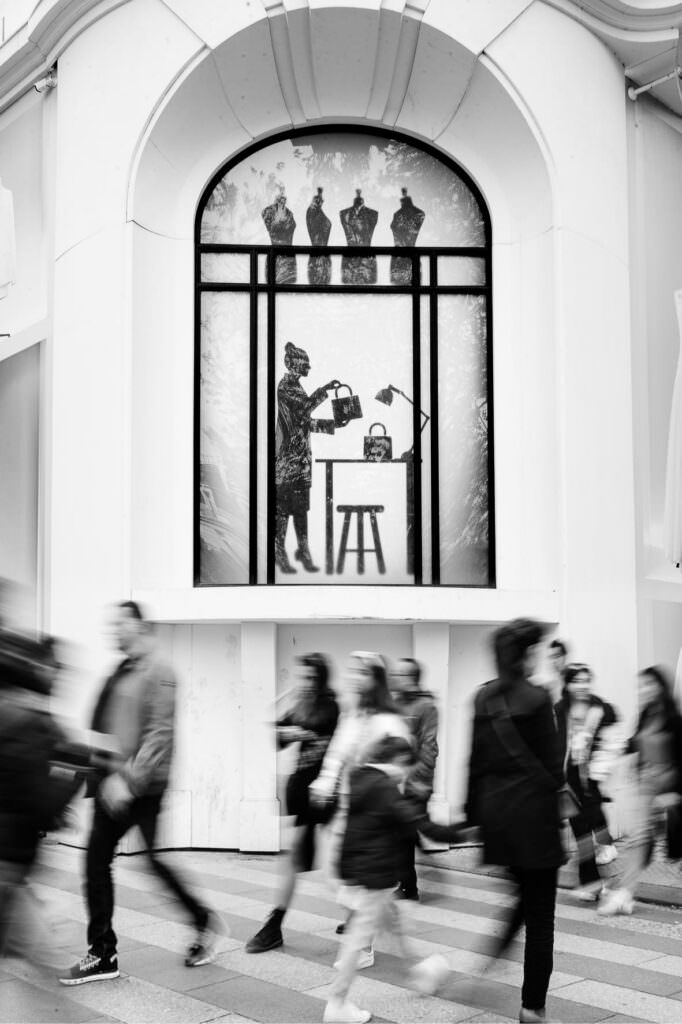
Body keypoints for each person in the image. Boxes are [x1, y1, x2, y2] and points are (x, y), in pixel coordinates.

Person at [59, 601, 223, 986]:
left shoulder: (159, 671)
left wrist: (129, 780)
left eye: (119, 623)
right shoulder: (122, 670)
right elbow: (107, 727)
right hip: (111, 780)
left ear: (138, 625)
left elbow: (159, 733)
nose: (113, 630)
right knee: (97, 861)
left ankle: (201, 921)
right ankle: (103, 953)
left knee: (148, 861)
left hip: (141, 785)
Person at [324, 734, 470, 1024]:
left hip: (362, 868)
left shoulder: (360, 779)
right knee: (357, 939)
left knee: (394, 926)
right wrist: (464, 831)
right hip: (374, 874)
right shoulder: (384, 788)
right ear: (399, 761)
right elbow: (419, 824)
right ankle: (337, 1003)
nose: (407, 774)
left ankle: (419, 972)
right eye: (407, 767)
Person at [466, 618, 564, 1024]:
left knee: (524, 896)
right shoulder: (539, 699)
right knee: (540, 915)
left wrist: (472, 819)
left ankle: (493, 952)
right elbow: (553, 769)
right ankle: (532, 1008)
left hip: (498, 822)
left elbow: (472, 764)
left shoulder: (482, 698)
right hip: (535, 823)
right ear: (526, 655)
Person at [310, 652, 410, 965]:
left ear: (376, 679)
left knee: (363, 882)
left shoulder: (389, 721)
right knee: (349, 878)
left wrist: (379, 781)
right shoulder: (353, 717)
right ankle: (405, 951)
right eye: (352, 671)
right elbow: (336, 754)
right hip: (348, 808)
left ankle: (363, 947)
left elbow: (402, 764)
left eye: (361, 672)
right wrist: (325, 783)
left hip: (376, 814)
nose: (354, 677)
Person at [246, 653, 339, 953]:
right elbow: (279, 737)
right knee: (293, 859)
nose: (307, 683)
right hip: (302, 791)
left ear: (322, 678)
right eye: (303, 677)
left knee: (337, 861)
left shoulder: (330, 705)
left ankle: (363, 916)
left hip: (326, 793)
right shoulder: (300, 704)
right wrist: (282, 727)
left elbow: (321, 730)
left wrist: (294, 727)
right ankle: (275, 924)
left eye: (312, 677)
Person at [0, 631, 68, 969]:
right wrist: (70, 777)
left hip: (13, 856)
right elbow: (42, 802)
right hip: (11, 853)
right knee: (43, 955)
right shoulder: (31, 721)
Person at [599, 665, 682, 916]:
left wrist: (675, 791)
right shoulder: (647, 714)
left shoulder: (672, 718)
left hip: (667, 787)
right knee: (639, 840)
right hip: (645, 787)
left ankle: (624, 893)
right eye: (641, 685)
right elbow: (634, 742)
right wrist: (613, 753)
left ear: (659, 686)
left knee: (660, 844)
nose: (643, 690)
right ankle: (625, 893)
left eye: (648, 684)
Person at [554, 663, 620, 900]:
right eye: (577, 681)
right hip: (569, 782)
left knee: (600, 834)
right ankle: (591, 884)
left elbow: (613, 742)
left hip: (592, 780)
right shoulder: (560, 710)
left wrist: (602, 766)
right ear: (568, 684)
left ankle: (612, 879)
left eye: (586, 680)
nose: (582, 685)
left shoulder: (601, 708)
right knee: (581, 834)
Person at [275, 342, 341, 574]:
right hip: (286, 460)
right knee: (283, 508)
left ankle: (302, 550)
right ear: (294, 364)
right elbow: (304, 410)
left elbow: (303, 423)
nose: (309, 368)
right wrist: (324, 390)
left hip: (300, 459)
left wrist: (333, 425)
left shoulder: (297, 387)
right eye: (306, 364)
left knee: (301, 508)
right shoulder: (285, 387)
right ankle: (279, 550)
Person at [389, 657, 439, 900]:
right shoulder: (393, 705)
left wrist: (417, 778)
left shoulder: (426, 707)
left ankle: (409, 888)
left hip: (416, 783)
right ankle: (410, 883)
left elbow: (429, 747)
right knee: (404, 833)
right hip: (395, 782)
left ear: (412, 679)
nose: (394, 678)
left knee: (404, 835)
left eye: (399, 675)